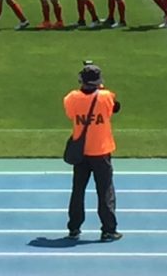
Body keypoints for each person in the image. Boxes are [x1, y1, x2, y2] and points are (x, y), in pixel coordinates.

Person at [64, 61, 122, 242]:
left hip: (81, 152)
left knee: (78, 190)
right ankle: (108, 230)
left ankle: (74, 228)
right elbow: (114, 107)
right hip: (101, 151)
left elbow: (70, 114)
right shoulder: (106, 96)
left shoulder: (71, 98)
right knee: (105, 191)